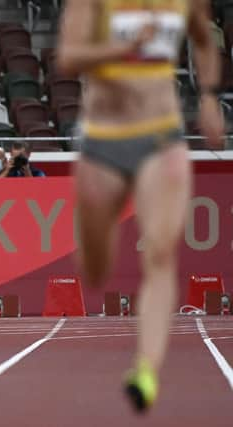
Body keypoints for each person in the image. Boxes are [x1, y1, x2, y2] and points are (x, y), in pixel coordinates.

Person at [57, 0, 223, 413]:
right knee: (95, 267)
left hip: (162, 137)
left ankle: (145, 370)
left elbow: (204, 39)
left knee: (161, 254)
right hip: (103, 140)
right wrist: (124, 46)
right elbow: (69, 57)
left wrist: (207, 95)